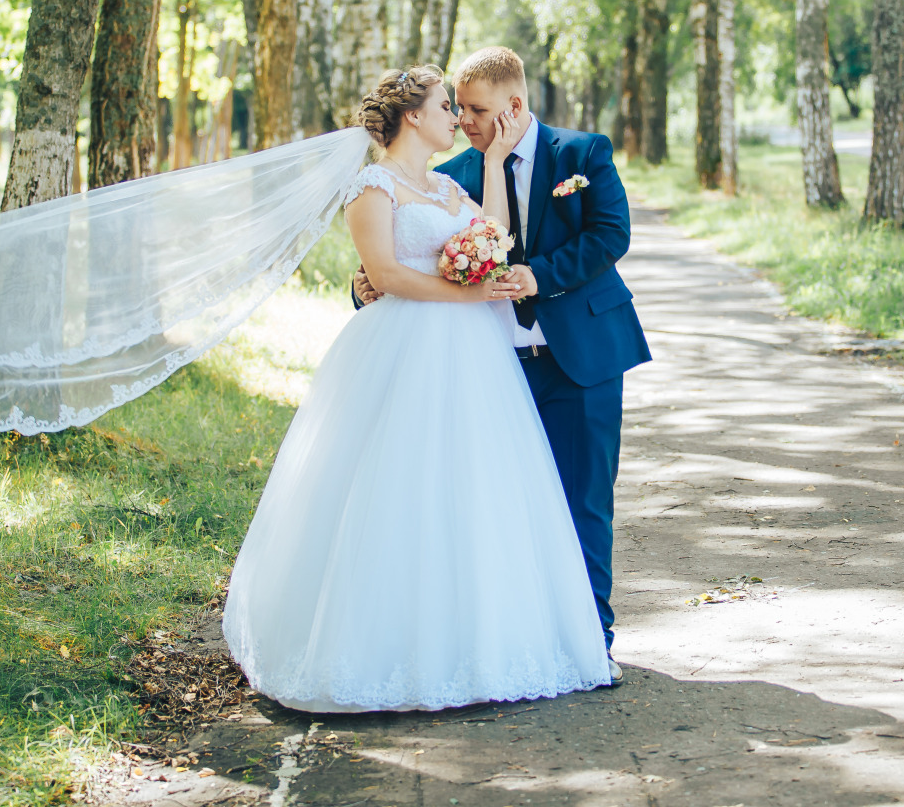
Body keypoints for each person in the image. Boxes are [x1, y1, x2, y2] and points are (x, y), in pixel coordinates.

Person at [221, 66, 614, 712]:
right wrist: (466, 290)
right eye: (445, 106)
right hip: (407, 349)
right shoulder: (372, 186)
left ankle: (490, 640)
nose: (456, 118)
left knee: (477, 492)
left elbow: (491, 235)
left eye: (463, 109)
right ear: (413, 116)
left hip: (476, 356)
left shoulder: (447, 182)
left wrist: (488, 174)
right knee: (397, 488)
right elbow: (383, 273)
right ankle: (383, 644)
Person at [354, 46, 651, 673]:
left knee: (584, 503)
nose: (463, 120)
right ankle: (530, 639)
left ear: (514, 106)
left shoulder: (582, 153)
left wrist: (535, 275)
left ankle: (591, 644)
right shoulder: (455, 172)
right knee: (505, 508)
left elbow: (610, 234)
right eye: (455, 108)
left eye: (476, 109)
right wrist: (361, 287)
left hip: (581, 359)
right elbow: (403, 253)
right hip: (493, 369)